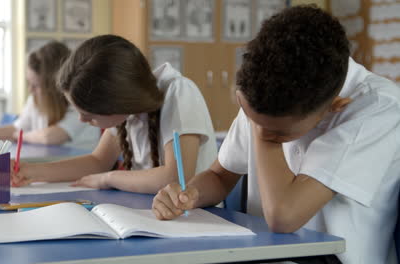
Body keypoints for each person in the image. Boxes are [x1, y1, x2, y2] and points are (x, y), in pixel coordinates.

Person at [152, 5, 400, 264]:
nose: (260, 129)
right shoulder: (263, 94)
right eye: (253, 118)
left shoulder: (378, 107)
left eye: (278, 133)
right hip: (264, 252)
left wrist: (262, 133)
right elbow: (220, 176)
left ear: (331, 107)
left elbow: (284, 216)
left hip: (332, 258)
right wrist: (187, 195)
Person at [11, 35, 217, 194]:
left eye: (89, 114)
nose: (82, 120)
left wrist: (109, 178)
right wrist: (31, 171)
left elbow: (176, 177)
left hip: (197, 219)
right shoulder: (128, 108)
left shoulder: (179, 93)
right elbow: (97, 161)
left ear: (116, 102)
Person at [0, 41, 100, 150]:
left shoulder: (81, 103)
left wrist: (19, 136)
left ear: (54, 87)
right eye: (29, 83)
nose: (30, 90)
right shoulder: (35, 99)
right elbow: (18, 127)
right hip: (51, 167)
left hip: (76, 170)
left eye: (36, 85)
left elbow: (50, 137)